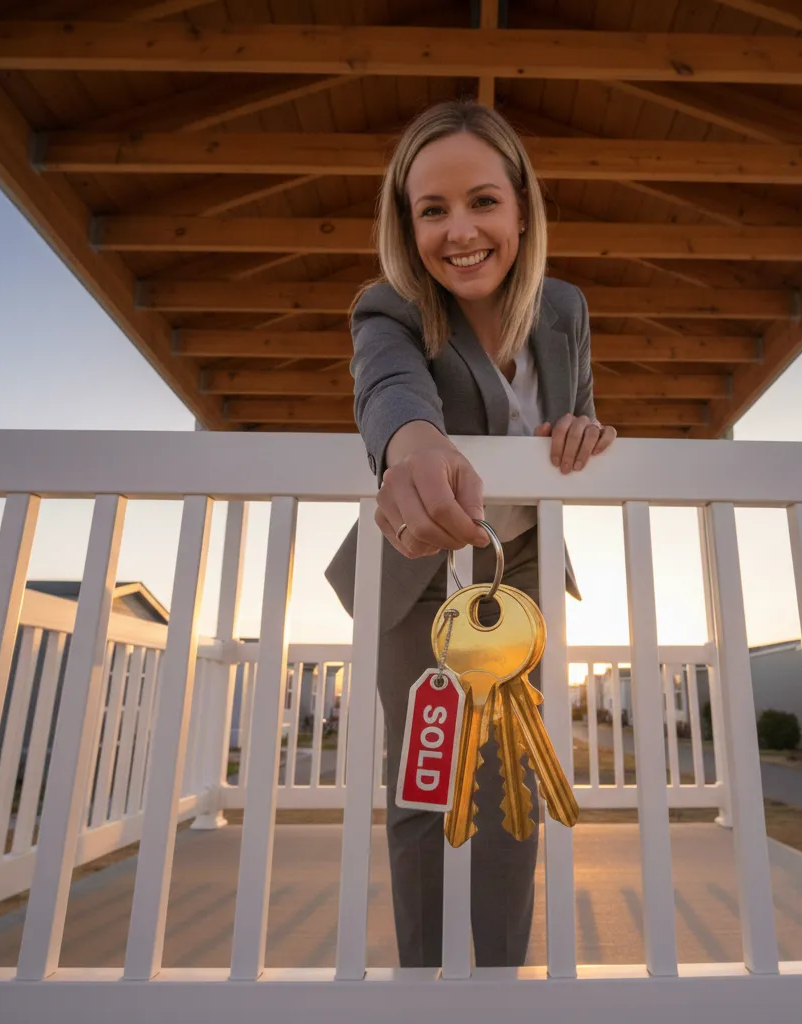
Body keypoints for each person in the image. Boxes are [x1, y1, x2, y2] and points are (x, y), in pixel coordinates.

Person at [324, 100, 617, 969]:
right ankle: (428, 985)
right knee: (429, 780)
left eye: (483, 201)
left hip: (518, 568)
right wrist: (410, 444)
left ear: (522, 208)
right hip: (418, 568)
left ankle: (493, 982)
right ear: (405, 222)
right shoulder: (390, 307)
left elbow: (579, 415)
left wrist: (585, 433)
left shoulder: (564, 309)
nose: (461, 231)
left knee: (508, 783)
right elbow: (388, 392)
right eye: (432, 209)